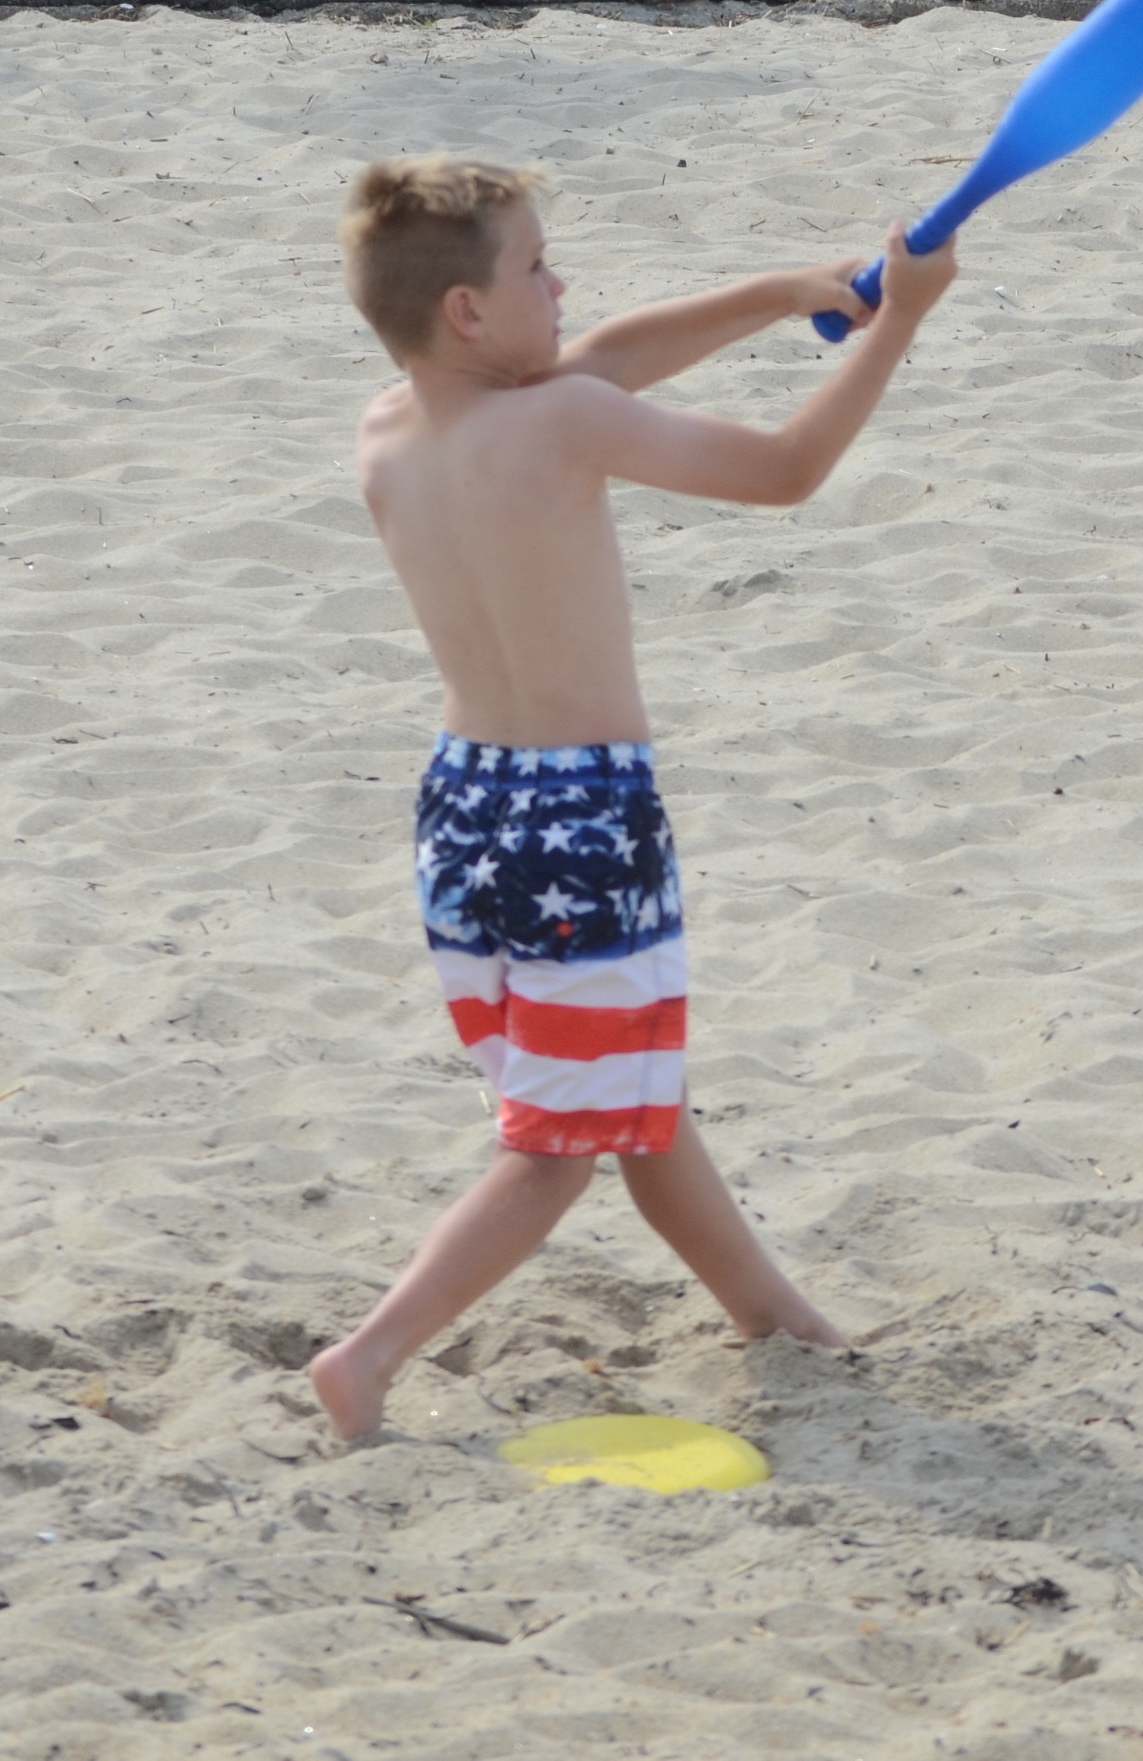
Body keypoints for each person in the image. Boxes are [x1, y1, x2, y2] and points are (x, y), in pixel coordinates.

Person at [305, 154, 957, 1443]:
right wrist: (904, 324)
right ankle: (369, 1356)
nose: (562, 287)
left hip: (464, 811)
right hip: (584, 824)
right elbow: (785, 468)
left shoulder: (391, 428)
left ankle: (780, 1320)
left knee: (622, 1091)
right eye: (536, 267)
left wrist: (792, 292)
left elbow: (600, 359)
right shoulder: (562, 424)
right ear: (467, 313)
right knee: (557, 1146)